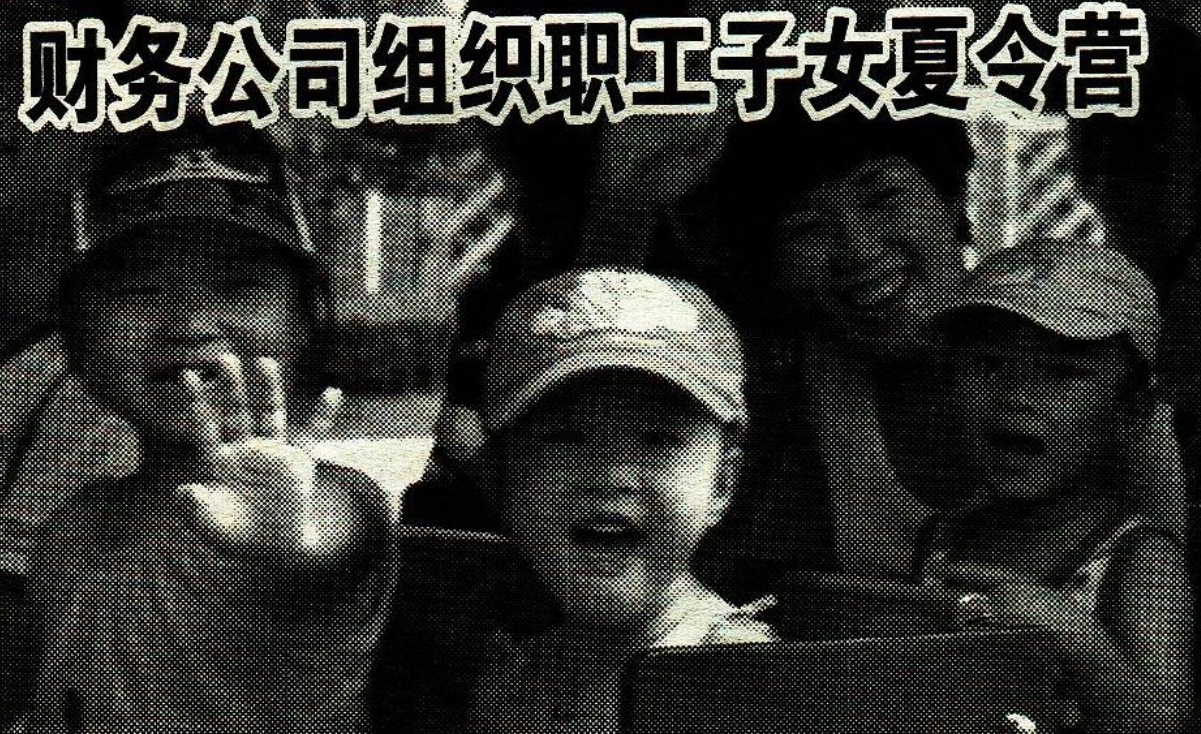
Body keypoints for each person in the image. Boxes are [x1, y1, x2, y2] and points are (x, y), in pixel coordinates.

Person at [0, 125, 394, 734]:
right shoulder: (72, 529)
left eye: (238, 287)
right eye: (139, 292)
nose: (189, 322)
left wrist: (285, 538)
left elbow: (324, 549)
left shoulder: (337, 500)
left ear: (305, 319)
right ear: (78, 351)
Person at [375, 268, 776, 734]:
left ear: (722, 482)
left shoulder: (744, 681)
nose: (610, 477)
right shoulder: (507, 676)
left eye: (658, 441)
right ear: (500, 478)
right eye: (566, 438)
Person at [921, 241, 1194, 734]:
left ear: (1131, 409)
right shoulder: (941, 541)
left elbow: (1162, 721)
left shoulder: (1139, 560)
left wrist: (1068, 630)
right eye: (990, 365)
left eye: (1063, 372)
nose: (1018, 395)